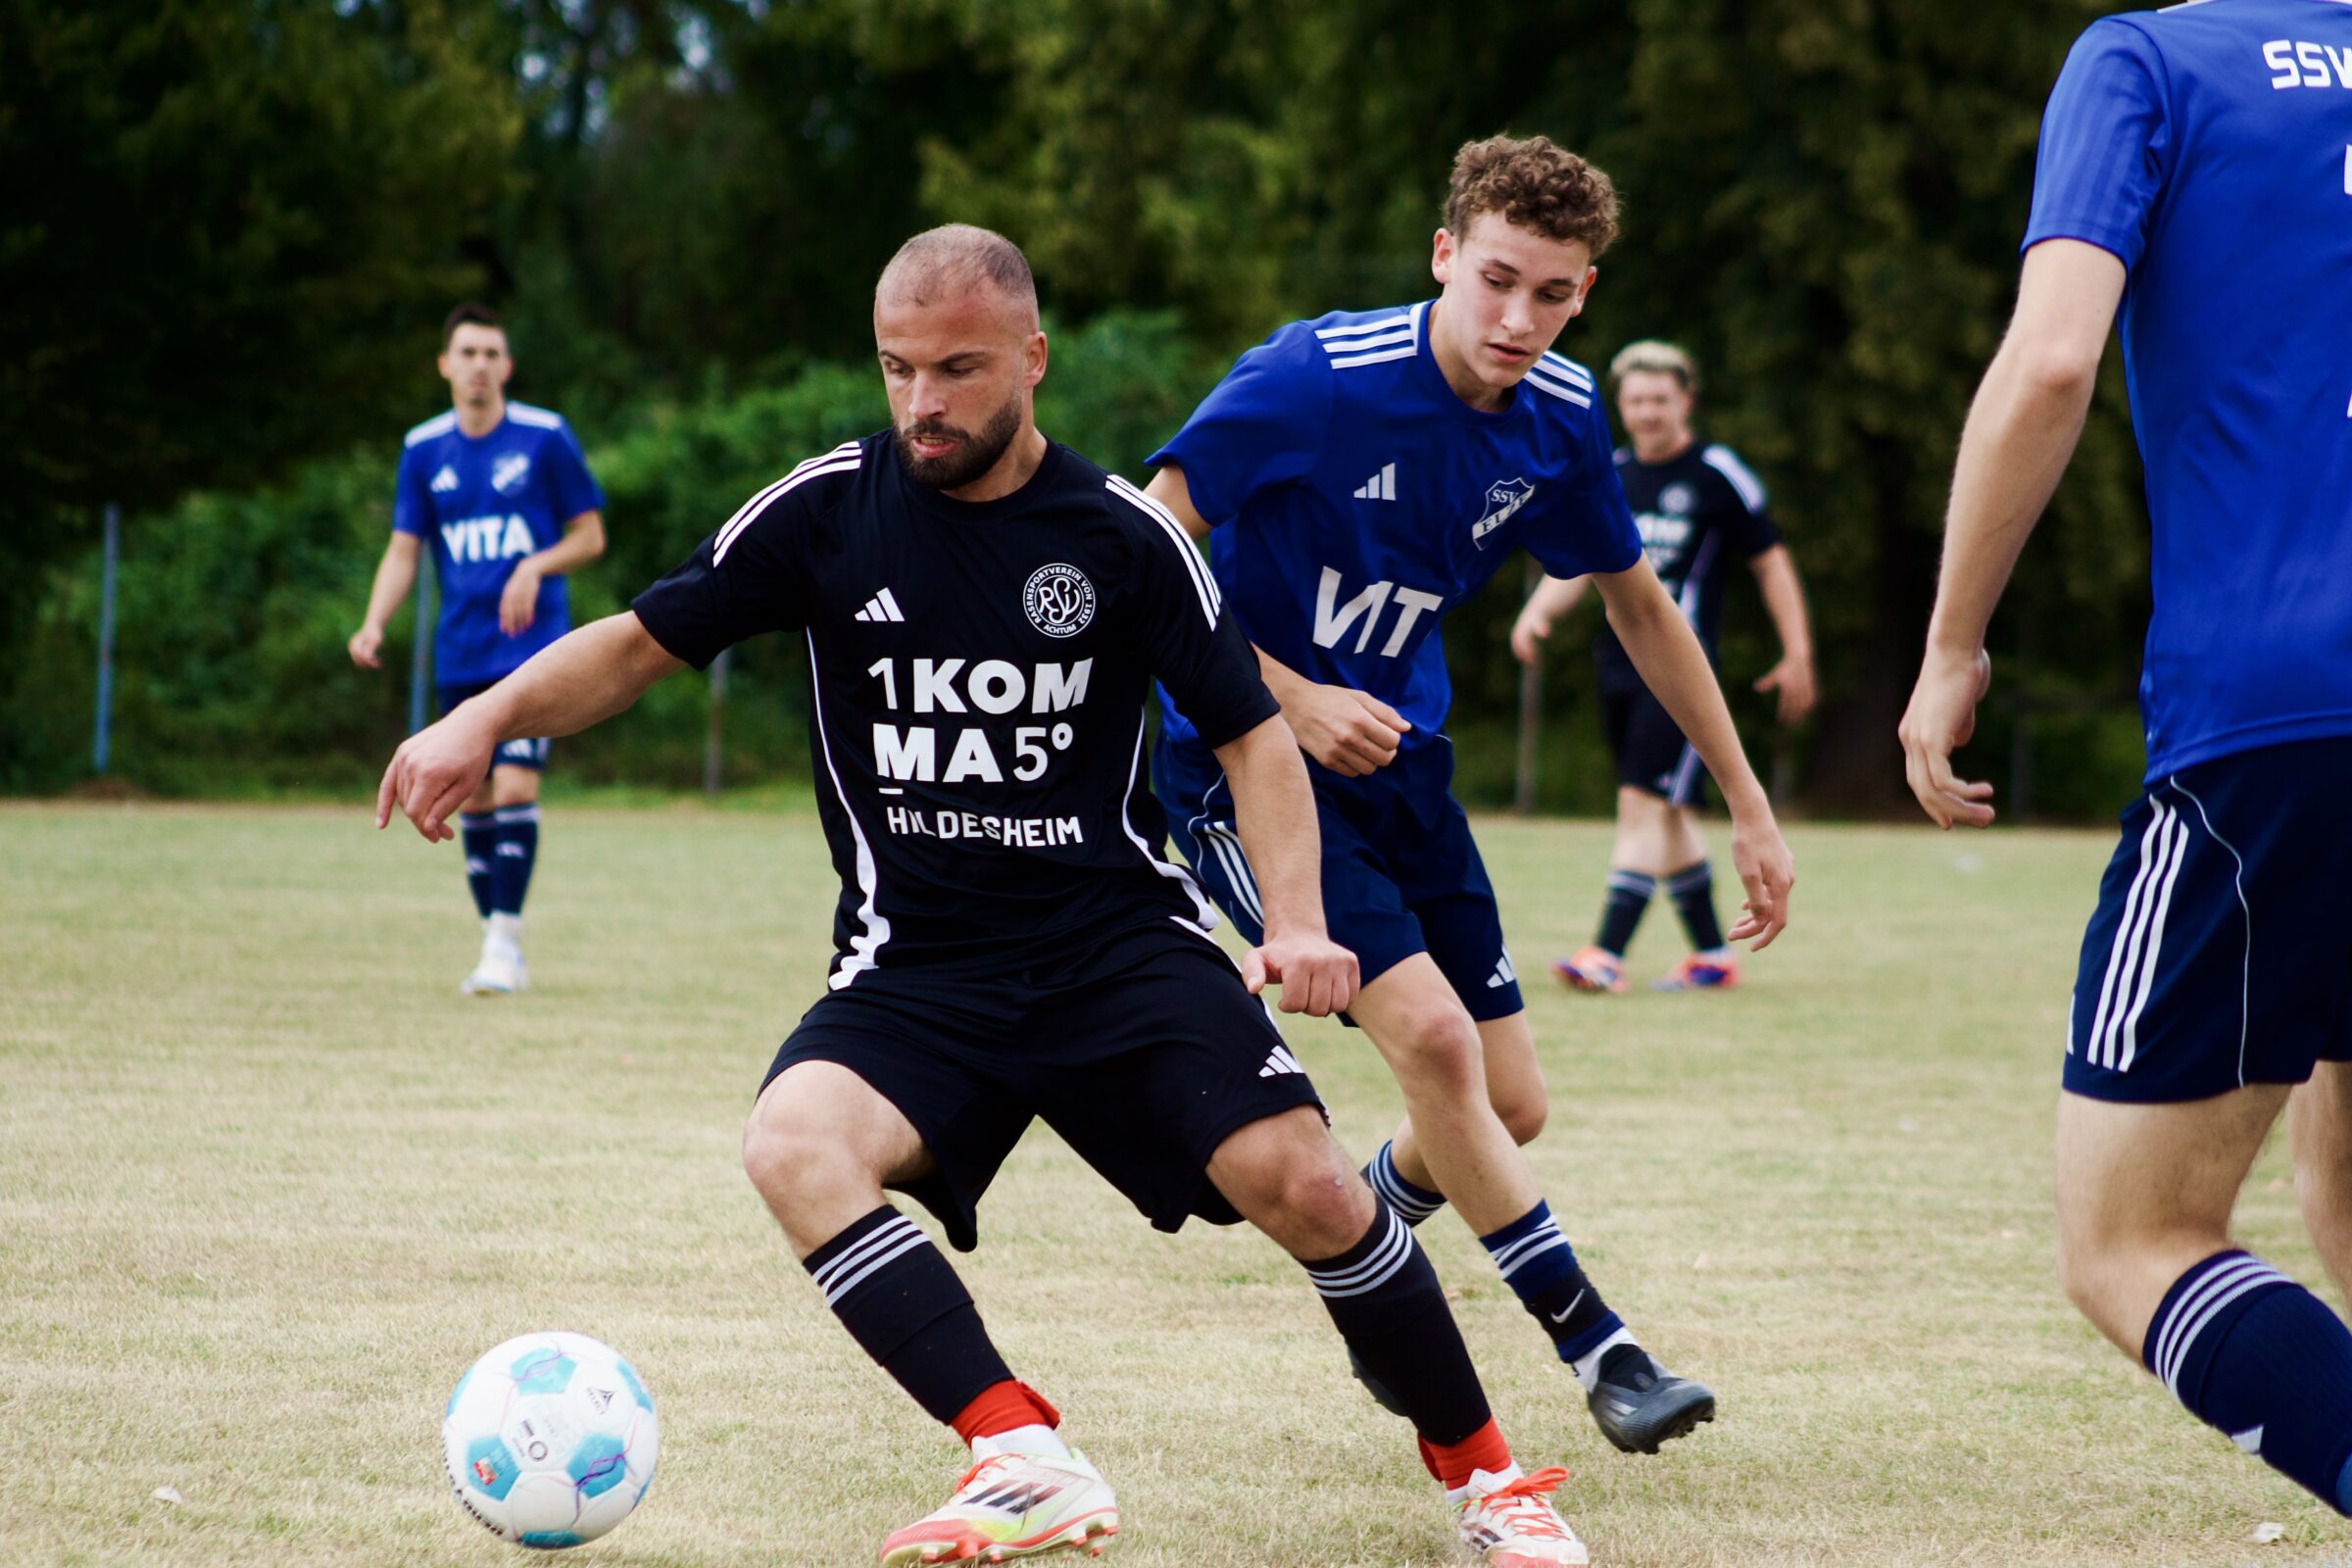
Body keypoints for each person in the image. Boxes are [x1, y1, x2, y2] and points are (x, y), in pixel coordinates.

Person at [379, 226, 1594, 1566]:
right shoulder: (826, 511)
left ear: (1032, 359)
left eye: (957, 369)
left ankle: (1491, 1481)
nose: (923, 403)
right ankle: (1018, 1451)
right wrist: (479, 719)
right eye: (897, 369)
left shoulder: (1122, 537)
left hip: (1116, 947)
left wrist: (1298, 921)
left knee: (1306, 1181)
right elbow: (634, 646)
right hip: (917, 968)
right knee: (793, 1145)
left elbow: (1254, 737)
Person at [1144, 135, 1793, 1455]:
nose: (1517, 318)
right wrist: (1286, 697)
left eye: (1551, 293)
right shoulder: (1316, 376)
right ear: (1444, 255)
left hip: (1404, 769)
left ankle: (1365, 1255)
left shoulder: (1561, 414)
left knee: (1511, 1102)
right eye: (1496, 279)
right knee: (1440, 1048)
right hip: (1242, 763)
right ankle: (1604, 1351)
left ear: (1584, 294)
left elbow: (1639, 606)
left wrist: (1746, 799)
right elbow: (1147, 546)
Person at [1899, 1, 2352, 1516]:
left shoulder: (2147, 63)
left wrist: (1953, 642)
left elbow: (2049, 366)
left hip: (2282, 709)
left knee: (2131, 1238)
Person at [1512, 339, 1814, 994]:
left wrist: (1797, 652)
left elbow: (1771, 562)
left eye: (1660, 399)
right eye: (1636, 400)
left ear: (1686, 401)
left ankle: (1606, 953)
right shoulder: (1612, 471)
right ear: (1619, 405)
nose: (1648, 412)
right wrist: (1537, 612)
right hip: (1617, 664)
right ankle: (1712, 955)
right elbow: (1585, 561)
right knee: (1669, 816)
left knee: (1641, 805)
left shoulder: (1716, 472)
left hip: (1680, 670)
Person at [350, 303, 607, 996]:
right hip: (461, 652)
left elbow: (590, 536)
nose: (480, 366)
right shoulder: (422, 448)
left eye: (492, 353)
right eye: (467, 353)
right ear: (445, 364)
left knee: (517, 783)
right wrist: (374, 623)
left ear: (508, 366)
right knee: (477, 798)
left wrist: (535, 565)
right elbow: (404, 549)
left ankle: (503, 942)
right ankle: (497, 941)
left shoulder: (545, 437)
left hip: (532, 652)